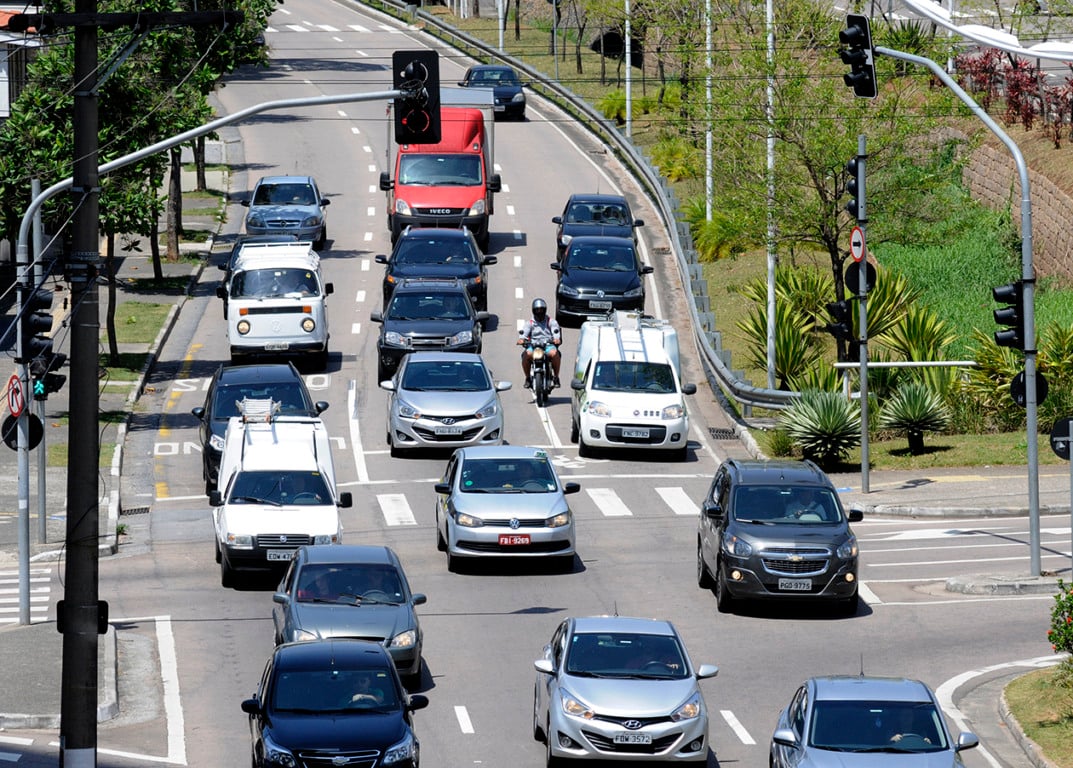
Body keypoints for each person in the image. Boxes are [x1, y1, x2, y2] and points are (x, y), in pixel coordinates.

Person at [518, 298, 562, 389]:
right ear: (533, 311)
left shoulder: (551, 321)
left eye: (541, 309)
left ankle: (556, 377)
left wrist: (556, 339)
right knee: (526, 354)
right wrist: (522, 340)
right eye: (537, 310)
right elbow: (524, 334)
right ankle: (527, 378)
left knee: (555, 353)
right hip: (533, 346)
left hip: (548, 345)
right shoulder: (529, 323)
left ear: (545, 310)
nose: (539, 312)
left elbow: (556, 332)